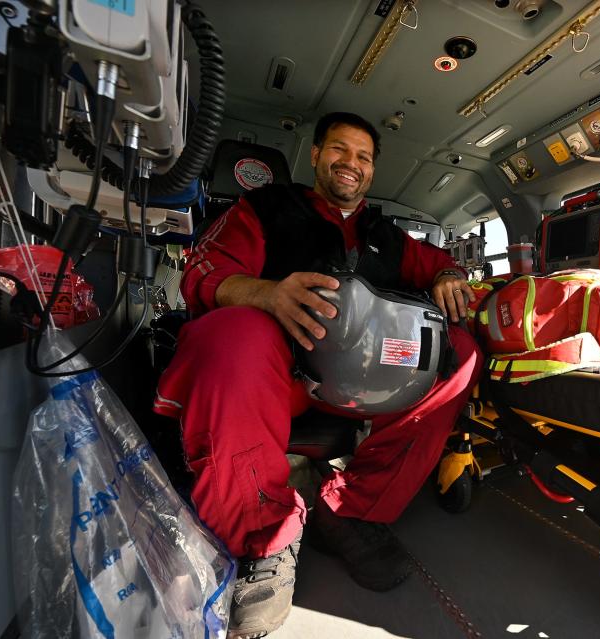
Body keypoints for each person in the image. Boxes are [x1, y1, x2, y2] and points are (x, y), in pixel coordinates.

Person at [153, 112, 482, 637]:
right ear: (316, 154)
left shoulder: (386, 236)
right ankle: (263, 539)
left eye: (363, 157)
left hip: (364, 384)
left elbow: (440, 262)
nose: (351, 163)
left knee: (457, 350)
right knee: (233, 332)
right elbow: (204, 273)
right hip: (277, 378)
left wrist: (447, 274)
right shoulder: (264, 209)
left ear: (372, 170)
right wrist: (266, 293)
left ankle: (350, 508)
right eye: (340, 150)